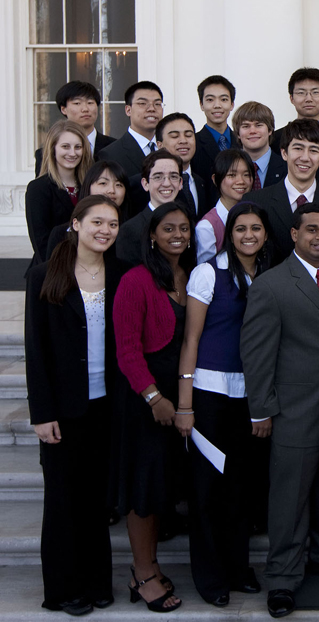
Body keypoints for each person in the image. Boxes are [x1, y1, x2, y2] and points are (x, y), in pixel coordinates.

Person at [240, 203, 319, 619]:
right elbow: (257, 354)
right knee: (289, 498)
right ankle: (282, 578)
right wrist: (261, 410)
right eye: (313, 230)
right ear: (295, 235)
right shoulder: (271, 285)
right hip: (292, 410)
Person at [25, 195, 121, 616]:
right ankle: (64, 590)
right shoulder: (46, 275)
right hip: (63, 410)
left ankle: (98, 581)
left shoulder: (121, 274)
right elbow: (36, 348)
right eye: (97, 222)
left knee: (97, 501)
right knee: (63, 501)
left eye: (113, 224)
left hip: (107, 405)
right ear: (76, 224)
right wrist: (42, 414)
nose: (105, 230)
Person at [175, 204, 272, 607]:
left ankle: (238, 568)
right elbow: (191, 340)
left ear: (265, 234)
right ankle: (210, 575)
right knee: (207, 490)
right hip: (209, 394)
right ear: (229, 234)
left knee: (241, 487)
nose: (249, 235)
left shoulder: (269, 276)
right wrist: (184, 403)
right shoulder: (206, 272)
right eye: (241, 228)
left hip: (250, 395)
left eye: (256, 228)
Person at [113, 201, 196, 613]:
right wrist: (154, 398)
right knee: (143, 491)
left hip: (178, 397)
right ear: (152, 234)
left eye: (184, 227)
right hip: (146, 400)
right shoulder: (136, 279)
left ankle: (148, 566)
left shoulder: (189, 275)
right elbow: (127, 351)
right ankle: (143, 573)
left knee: (164, 487)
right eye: (168, 228)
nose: (177, 234)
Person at [243, 118, 319, 261]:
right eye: (298, 148)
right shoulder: (256, 201)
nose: (305, 158)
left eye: (313, 150)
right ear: (284, 153)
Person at [27, 120, 94, 267]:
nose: (72, 153)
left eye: (78, 147)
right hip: (53, 269)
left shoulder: (90, 185)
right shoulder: (38, 188)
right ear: (53, 149)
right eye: (65, 147)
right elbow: (41, 241)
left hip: (89, 268)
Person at [46, 160, 131, 256]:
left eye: (119, 185)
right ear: (88, 186)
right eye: (103, 183)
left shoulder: (132, 231)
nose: (111, 190)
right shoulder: (62, 234)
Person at [115, 150, 184, 267]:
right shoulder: (129, 231)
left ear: (180, 183)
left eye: (173, 176)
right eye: (158, 177)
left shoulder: (188, 223)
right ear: (145, 183)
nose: (167, 183)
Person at [34, 80, 115, 176]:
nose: (85, 109)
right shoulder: (47, 152)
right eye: (77, 103)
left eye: (90, 103)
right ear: (63, 109)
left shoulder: (114, 147)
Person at [196, 149, 254, 263]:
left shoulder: (255, 215)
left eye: (246, 175)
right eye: (232, 175)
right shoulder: (207, 227)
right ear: (215, 179)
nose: (241, 181)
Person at [99, 81, 164, 179]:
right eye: (142, 103)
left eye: (157, 104)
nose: (152, 109)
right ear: (128, 110)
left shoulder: (168, 148)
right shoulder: (110, 154)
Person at [192, 75, 237, 195]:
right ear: (201, 105)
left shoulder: (242, 141)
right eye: (210, 100)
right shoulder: (192, 143)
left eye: (223, 99)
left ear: (232, 104)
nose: (217, 105)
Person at [271, 67, 319, 154]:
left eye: (315, 92)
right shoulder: (276, 139)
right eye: (301, 93)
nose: (308, 99)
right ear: (291, 98)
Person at [233, 101, 285, 190]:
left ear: (270, 130)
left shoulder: (287, 168)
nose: (252, 131)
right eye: (246, 126)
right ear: (238, 133)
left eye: (258, 125)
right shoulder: (227, 168)